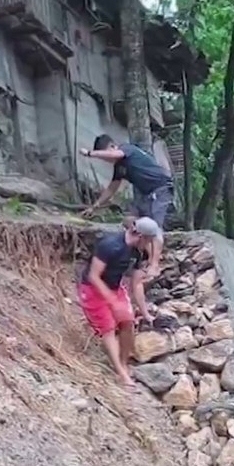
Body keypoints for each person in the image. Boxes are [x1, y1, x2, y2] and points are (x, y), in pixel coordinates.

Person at [77, 216, 163, 389]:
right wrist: (110, 300)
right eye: (149, 241)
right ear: (141, 236)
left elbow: (136, 283)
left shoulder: (137, 252)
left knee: (128, 323)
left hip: (115, 288)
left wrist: (145, 312)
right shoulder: (109, 245)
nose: (150, 246)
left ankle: (123, 362)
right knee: (108, 329)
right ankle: (121, 374)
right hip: (92, 289)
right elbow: (94, 276)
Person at [78, 135, 176, 227]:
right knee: (139, 222)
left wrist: (89, 153)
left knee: (156, 223)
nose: (106, 160)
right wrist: (94, 207)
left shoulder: (126, 148)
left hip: (161, 187)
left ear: (113, 146)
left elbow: (115, 154)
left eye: (105, 156)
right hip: (148, 195)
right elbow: (111, 190)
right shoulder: (119, 168)